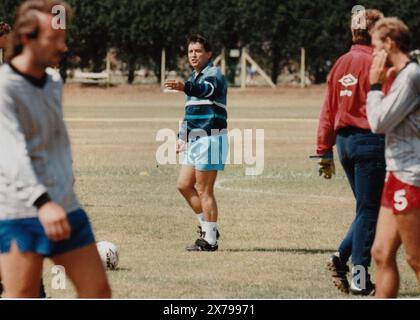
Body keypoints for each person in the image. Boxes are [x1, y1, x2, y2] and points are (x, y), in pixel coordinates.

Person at [0, 0, 111, 298]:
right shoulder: (5, 88)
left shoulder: (52, 83)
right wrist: (42, 202)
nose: (62, 47)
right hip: (23, 212)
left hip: (66, 208)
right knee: (23, 296)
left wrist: (61, 195)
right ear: (27, 39)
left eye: (63, 38)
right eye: (53, 39)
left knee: (97, 292)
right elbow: (11, 155)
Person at [315, 9, 385, 295]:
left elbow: (328, 110)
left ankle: (339, 258)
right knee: (370, 211)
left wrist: (324, 150)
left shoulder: (341, 62)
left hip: (344, 144)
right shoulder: (376, 63)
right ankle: (359, 276)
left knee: (366, 210)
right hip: (369, 141)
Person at [367, 17, 420, 298]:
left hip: (412, 176)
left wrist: (374, 86)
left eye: (376, 46)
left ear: (389, 44)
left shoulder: (411, 76)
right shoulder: (399, 76)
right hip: (396, 173)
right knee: (381, 252)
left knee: (416, 259)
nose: (373, 54)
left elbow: (378, 122)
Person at [164, 34, 228, 252]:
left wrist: (185, 88)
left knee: (204, 189)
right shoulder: (193, 78)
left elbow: (207, 90)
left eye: (198, 51)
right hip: (195, 140)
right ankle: (208, 227)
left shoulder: (213, 75)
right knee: (183, 185)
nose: (193, 55)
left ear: (209, 54)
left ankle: (210, 241)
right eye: (190, 51)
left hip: (212, 137)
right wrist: (182, 137)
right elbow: (189, 113)